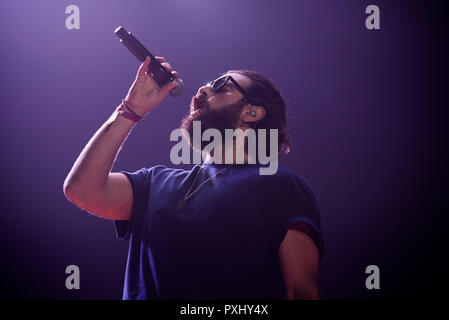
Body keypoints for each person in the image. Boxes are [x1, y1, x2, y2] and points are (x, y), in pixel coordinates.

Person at [63, 56, 323, 300]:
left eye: (222, 85)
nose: (203, 89)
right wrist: (130, 109)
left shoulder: (282, 185)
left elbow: (301, 291)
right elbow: (82, 190)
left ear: (252, 113)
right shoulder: (154, 182)